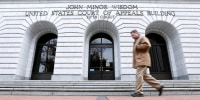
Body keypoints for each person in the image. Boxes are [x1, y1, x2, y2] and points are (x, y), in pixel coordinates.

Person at [130, 29, 164, 97]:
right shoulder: (136, 41)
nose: (132, 37)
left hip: (142, 60)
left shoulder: (142, 38)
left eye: (133, 35)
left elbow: (147, 45)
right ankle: (159, 86)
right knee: (145, 76)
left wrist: (137, 46)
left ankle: (139, 92)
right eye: (132, 36)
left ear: (137, 33)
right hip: (140, 61)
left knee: (139, 75)